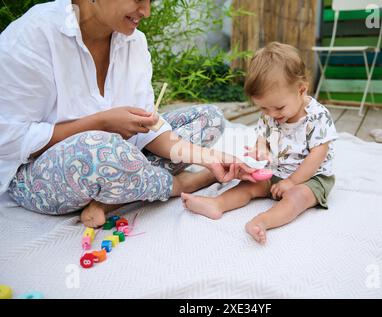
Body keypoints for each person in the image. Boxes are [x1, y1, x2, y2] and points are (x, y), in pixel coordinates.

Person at [0, 0, 255, 228]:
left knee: (209, 119)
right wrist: (101, 123)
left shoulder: (134, 42)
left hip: (116, 156)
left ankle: (114, 195)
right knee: (103, 148)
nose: (146, 11)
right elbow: (10, 140)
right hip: (34, 174)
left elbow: (149, 128)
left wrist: (209, 158)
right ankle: (180, 185)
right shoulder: (34, 35)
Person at [182, 42, 338, 244]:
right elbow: (263, 136)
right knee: (247, 185)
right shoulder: (271, 113)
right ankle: (217, 204)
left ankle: (262, 221)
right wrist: (261, 148)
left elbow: (318, 154)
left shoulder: (317, 116)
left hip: (312, 178)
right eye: (264, 109)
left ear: (301, 90)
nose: (272, 115)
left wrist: (292, 182)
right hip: (277, 172)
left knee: (298, 197)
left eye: (279, 108)